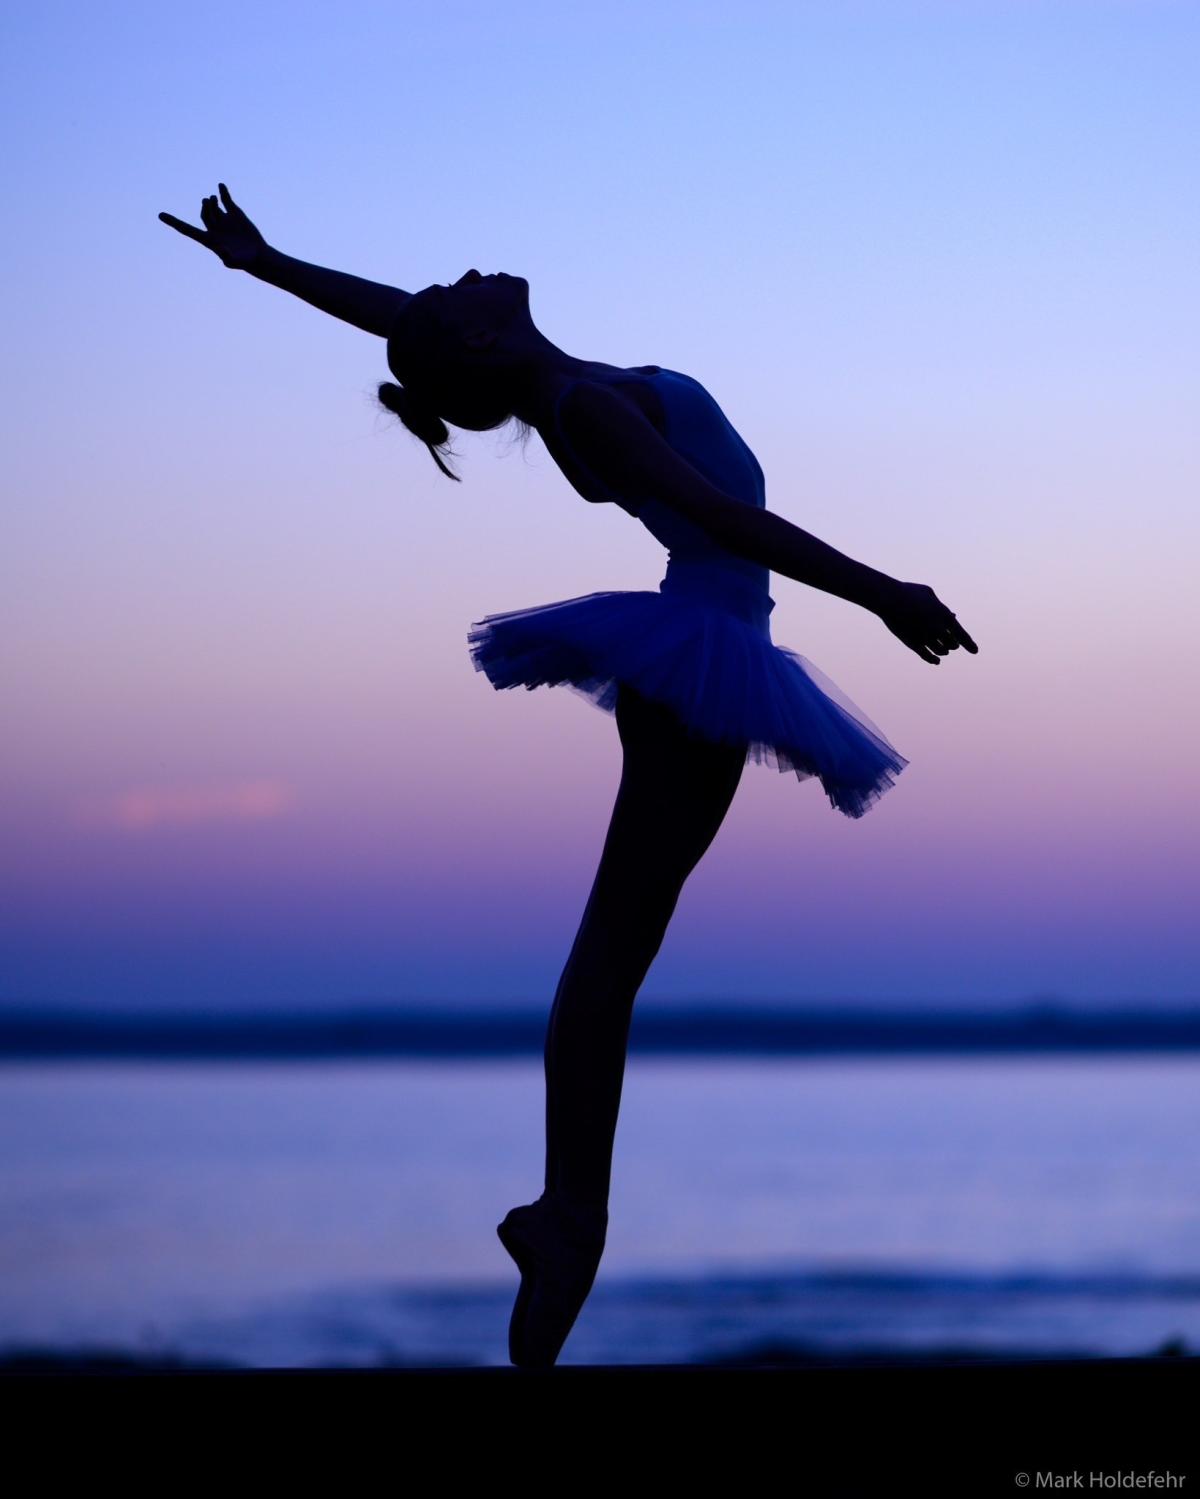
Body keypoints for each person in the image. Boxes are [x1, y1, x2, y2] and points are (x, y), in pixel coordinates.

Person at [160, 184, 979, 1370]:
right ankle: (570, 1222)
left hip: (700, 654)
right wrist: (886, 592)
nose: (460, 273)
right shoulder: (581, 404)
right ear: (482, 341)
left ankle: (567, 1219)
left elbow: (412, 324)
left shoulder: (554, 383)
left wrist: (267, 264)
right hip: (701, 653)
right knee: (611, 956)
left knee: (617, 951)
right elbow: (721, 518)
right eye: (456, 294)